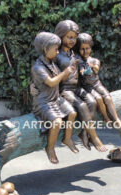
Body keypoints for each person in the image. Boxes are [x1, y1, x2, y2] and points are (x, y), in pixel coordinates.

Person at [54, 20, 107, 152]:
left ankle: (84, 132)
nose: (72, 40)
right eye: (69, 37)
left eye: (74, 37)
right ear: (61, 37)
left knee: (92, 101)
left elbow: (86, 70)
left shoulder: (75, 54)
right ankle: (94, 137)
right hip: (64, 90)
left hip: (76, 88)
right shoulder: (56, 55)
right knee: (82, 105)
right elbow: (47, 70)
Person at [32, 32, 79, 164]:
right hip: (44, 102)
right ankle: (50, 148)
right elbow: (51, 82)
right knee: (57, 122)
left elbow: (60, 79)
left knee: (72, 112)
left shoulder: (52, 63)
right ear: (46, 49)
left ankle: (67, 138)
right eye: (56, 49)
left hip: (56, 99)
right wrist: (64, 73)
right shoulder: (38, 67)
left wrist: (70, 70)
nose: (58, 52)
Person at [76, 33, 121, 128]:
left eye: (87, 48)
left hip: (97, 84)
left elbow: (96, 69)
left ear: (91, 48)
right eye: (82, 49)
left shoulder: (94, 60)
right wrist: (84, 70)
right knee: (98, 98)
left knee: (107, 97)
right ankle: (106, 118)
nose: (85, 51)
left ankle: (116, 119)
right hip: (87, 87)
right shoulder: (79, 62)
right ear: (78, 49)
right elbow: (82, 72)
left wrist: (91, 66)